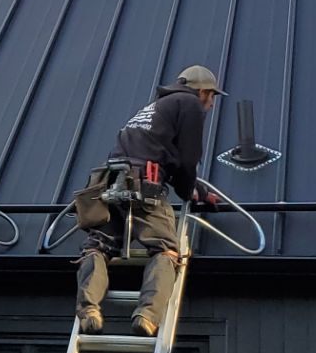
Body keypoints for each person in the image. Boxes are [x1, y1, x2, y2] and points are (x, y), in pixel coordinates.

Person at [75, 65, 222, 338]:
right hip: (145, 184)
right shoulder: (190, 104)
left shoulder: (157, 106)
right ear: (201, 91)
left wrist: (197, 189)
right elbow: (188, 161)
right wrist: (190, 191)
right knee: (166, 250)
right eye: (211, 96)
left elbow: (164, 156)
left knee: (98, 246)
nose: (211, 104)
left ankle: (88, 311)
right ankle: (148, 315)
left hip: (111, 181)